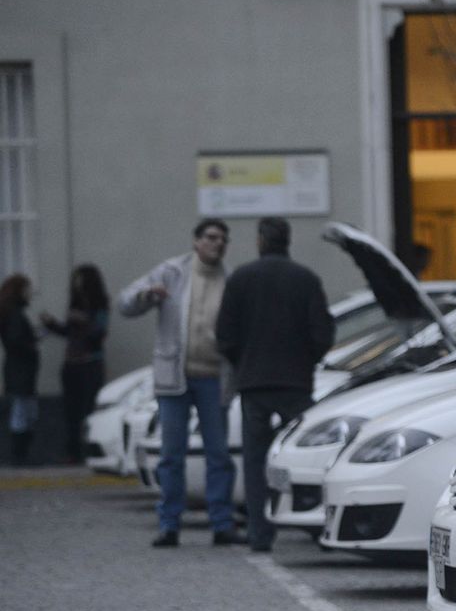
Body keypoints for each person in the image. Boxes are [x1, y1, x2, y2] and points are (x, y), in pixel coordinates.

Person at [118, 218, 243, 547]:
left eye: (223, 240)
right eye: (212, 238)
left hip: (214, 378)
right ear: (196, 241)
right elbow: (125, 303)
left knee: (218, 454)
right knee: (172, 454)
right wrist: (147, 295)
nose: (218, 244)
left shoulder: (231, 280)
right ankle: (169, 524)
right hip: (175, 378)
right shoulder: (172, 272)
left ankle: (221, 523)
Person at [216, 216, 333, 553]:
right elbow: (322, 333)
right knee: (303, 455)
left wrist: (243, 362)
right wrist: (307, 360)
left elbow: (225, 334)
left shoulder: (241, 278)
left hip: (254, 383)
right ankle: (313, 522)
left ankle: (260, 533)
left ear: (260, 241)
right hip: (295, 383)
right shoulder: (306, 280)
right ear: (288, 240)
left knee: (255, 460)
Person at [40, 264, 110, 463]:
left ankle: (90, 449)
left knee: (89, 409)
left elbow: (99, 333)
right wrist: (51, 324)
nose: (77, 284)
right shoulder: (75, 304)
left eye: (80, 280)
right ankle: (73, 452)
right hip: (72, 364)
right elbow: (69, 333)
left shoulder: (100, 304)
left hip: (90, 363)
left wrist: (83, 320)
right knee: (71, 411)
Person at [0, 273, 41, 465]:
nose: (29, 293)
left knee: (23, 411)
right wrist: (31, 343)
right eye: (26, 289)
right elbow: (16, 340)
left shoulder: (10, 312)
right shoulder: (15, 313)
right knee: (23, 412)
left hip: (18, 369)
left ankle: (20, 453)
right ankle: (20, 455)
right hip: (21, 369)